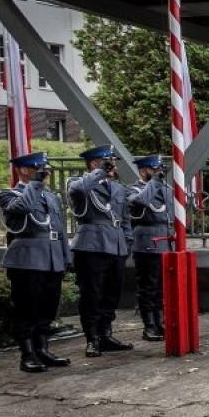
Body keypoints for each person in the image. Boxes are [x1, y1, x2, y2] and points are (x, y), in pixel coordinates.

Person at [0, 151, 72, 373]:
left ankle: (42, 349)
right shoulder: (8, 194)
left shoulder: (51, 197)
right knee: (26, 307)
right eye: (37, 169)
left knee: (47, 306)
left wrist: (65, 258)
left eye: (44, 169)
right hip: (27, 259)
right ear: (23, 170)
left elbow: (59, 229)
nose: (44, 173)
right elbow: (23, 208)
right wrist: (36, 184)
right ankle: (27, 354)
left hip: (51, 258)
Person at [69, 145, 135, 357]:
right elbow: (78, 191)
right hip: (91, 246)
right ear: (94, 163)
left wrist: (127, 243)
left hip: (115, 246)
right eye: (108, 162)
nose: (113, 166)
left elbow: (125, 218)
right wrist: (98, 173)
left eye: (112, 162)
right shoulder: (79, 183)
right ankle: (92, 338)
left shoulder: (117, 188)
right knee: (92, 294)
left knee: (111, 293)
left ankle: (105, 334)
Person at [128, 154, 172, 342]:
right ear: (144, 170)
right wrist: (154, 183)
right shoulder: (132, 189)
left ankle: (161, 322)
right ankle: (149, 326)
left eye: (160, 170)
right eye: (154, 170)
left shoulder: (165, 188)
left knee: (163, 288)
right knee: (148, 287)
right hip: (148, 243)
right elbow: (140, 203)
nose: (158, 173)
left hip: (166, 242)